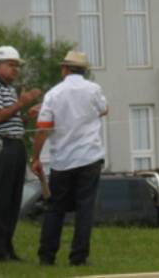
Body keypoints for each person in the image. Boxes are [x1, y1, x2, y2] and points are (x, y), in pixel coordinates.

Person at [31, 50, 108, 267]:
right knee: (85, 208)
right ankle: (78, 258)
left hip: (62, 160)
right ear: (83, 70)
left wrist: (35, 157)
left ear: (64, 69)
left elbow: (42, 130)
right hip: (90, 157)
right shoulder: (94, 89)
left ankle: (46, 256)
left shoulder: (54, 94)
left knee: (55, 208)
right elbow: (104, 109)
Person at [0, 45, 41, 262]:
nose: (16, 70)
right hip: (0, 145)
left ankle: (7, 247)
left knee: (13, 199)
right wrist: (21, 103)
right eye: (11, 65)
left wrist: (27, 114)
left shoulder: (8, 89)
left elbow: (11, 119)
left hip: (14, 144)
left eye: (17, 66)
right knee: (1, 198)